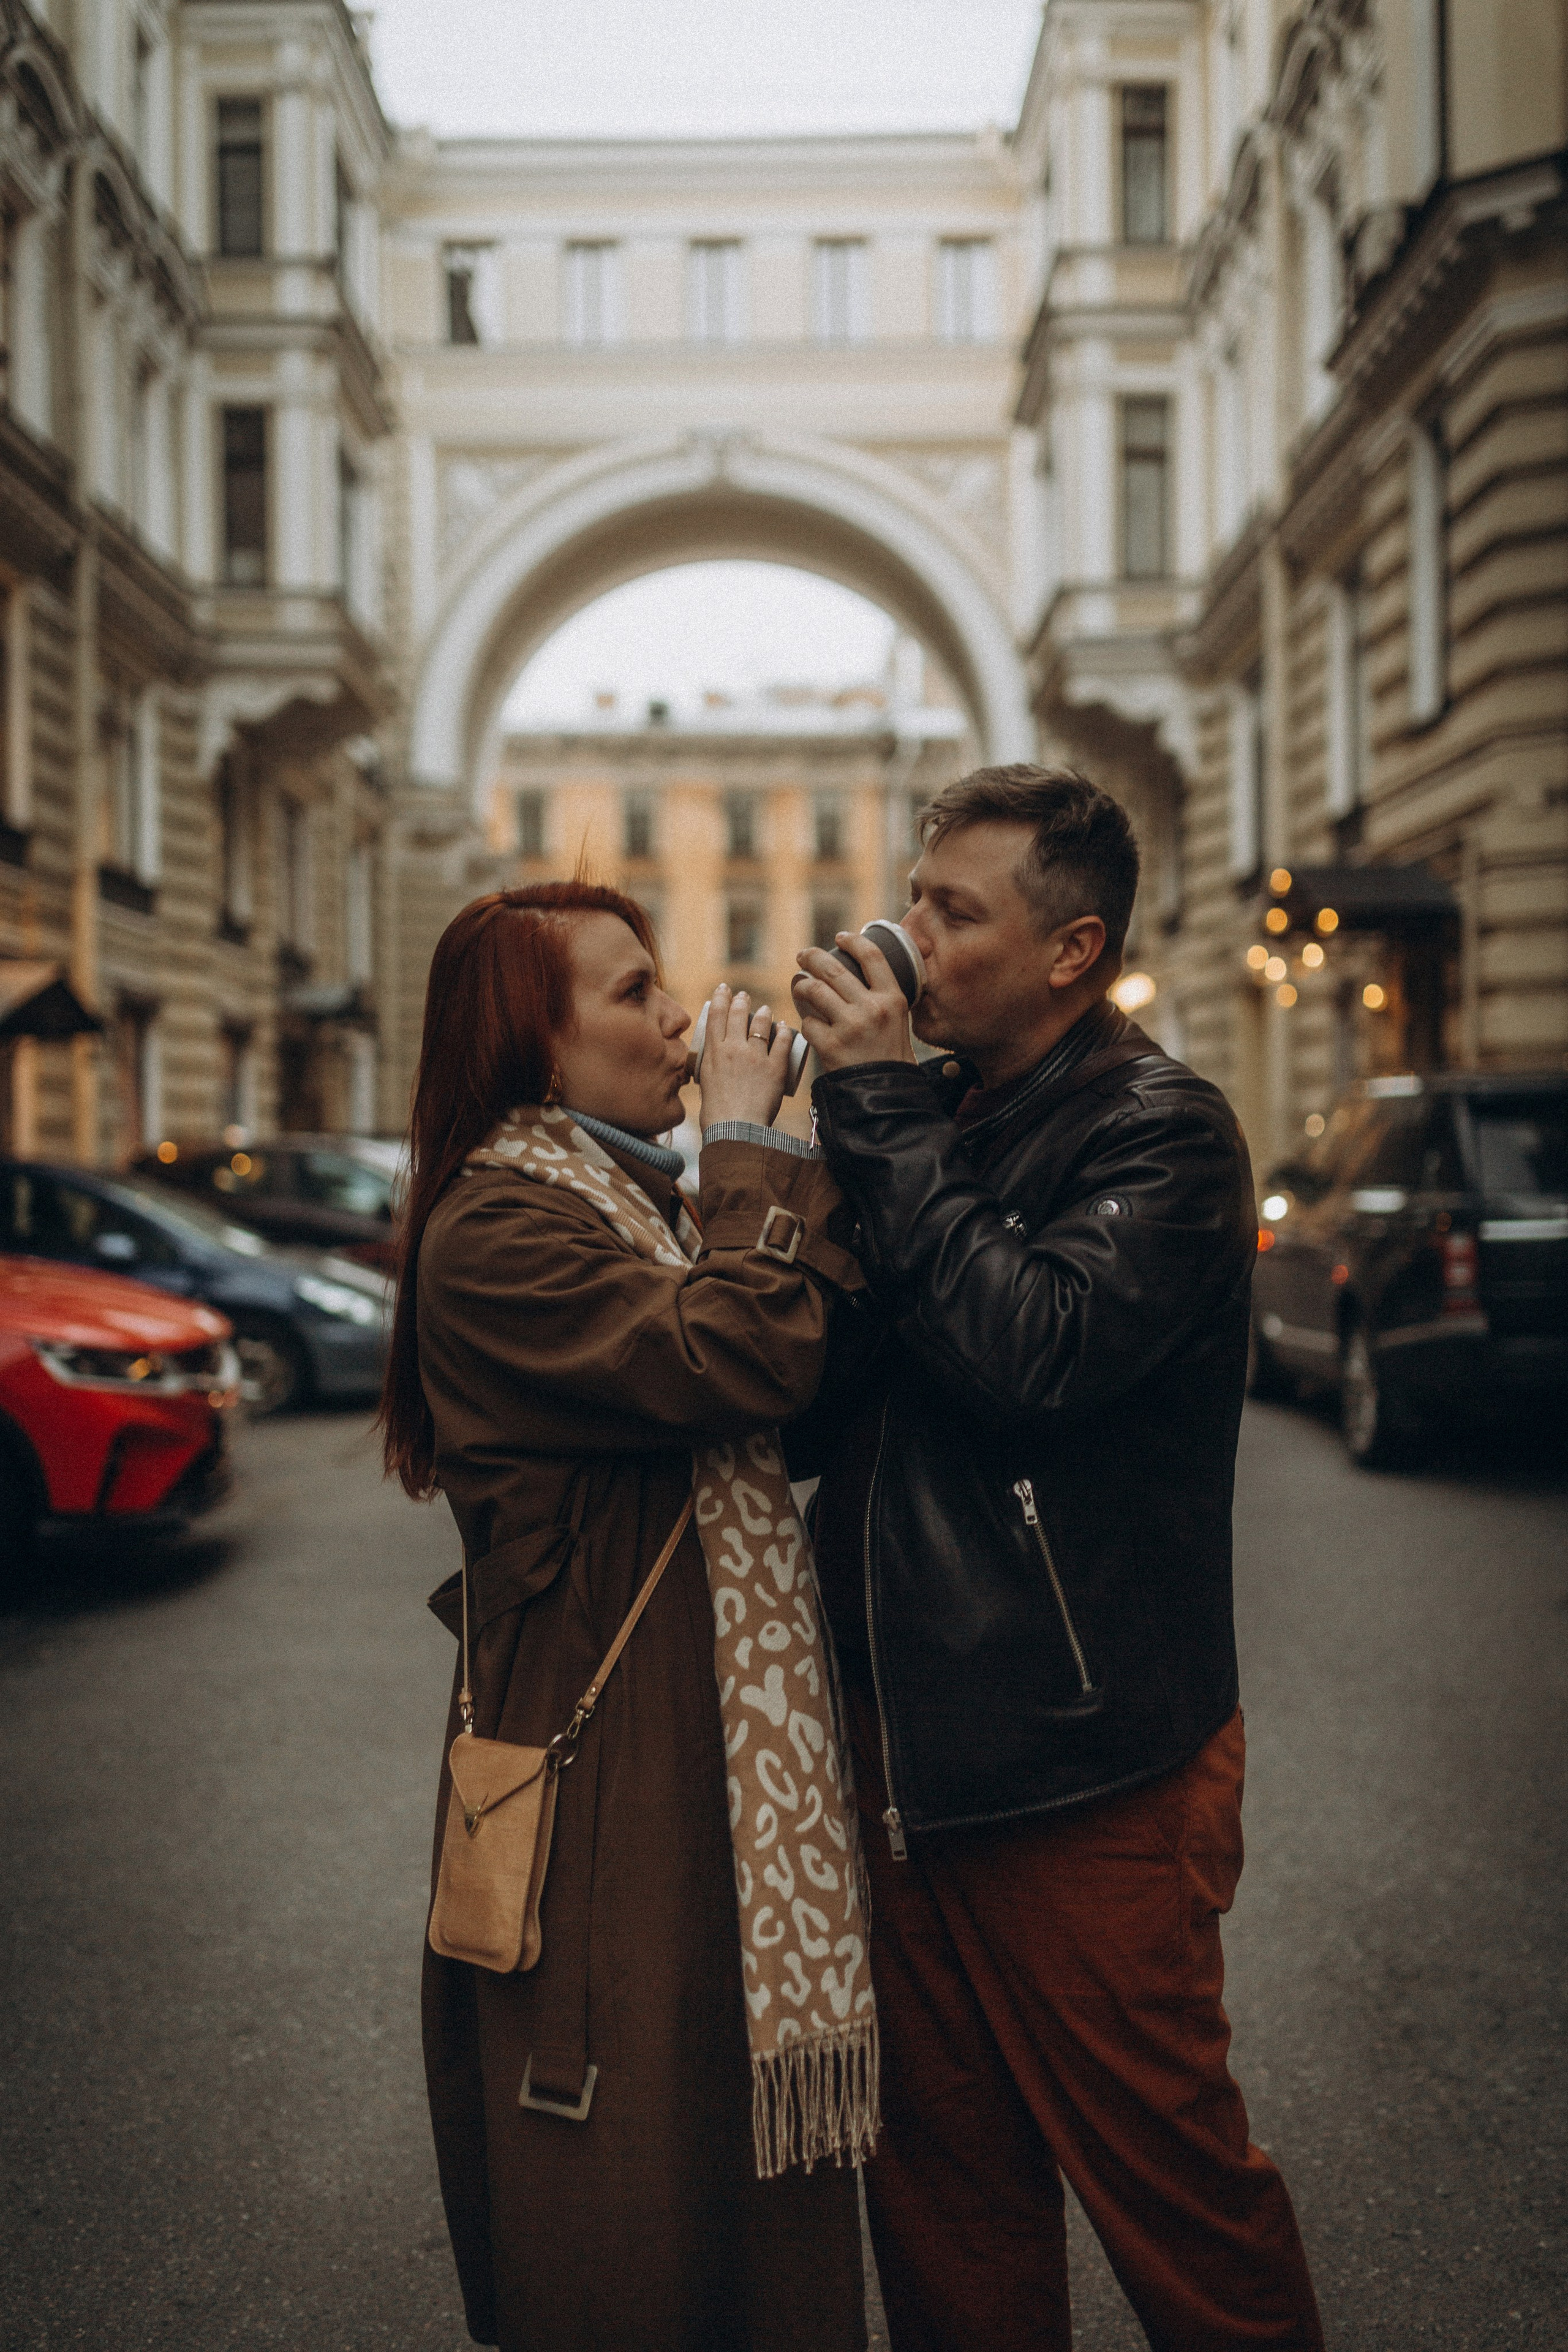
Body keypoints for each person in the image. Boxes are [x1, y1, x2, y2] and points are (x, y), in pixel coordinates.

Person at [789, 767, 1324, 2352]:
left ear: (1071, 951)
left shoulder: (1162, 1134)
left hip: (1082, 1761)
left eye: (954, 911)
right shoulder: (931, 1122)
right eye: (918, 893)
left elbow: (1033, 1354)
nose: (908, 933)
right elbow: (823, 1410)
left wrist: (881, 1113)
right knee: (947, 2193)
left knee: (1170, 2186)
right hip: (907, 1743)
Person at [381, 880, 874, 2352]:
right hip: (604, 1786)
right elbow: (739, 1357)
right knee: (623, 2179)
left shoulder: (639, 1206)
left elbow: (802, 1387)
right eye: (632, 992)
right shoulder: (494, 1232)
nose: (676, 1017)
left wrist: (802, 1155)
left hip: (699, 1752)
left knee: (731, 2154)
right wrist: (742, 1155)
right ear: (531, 1045)